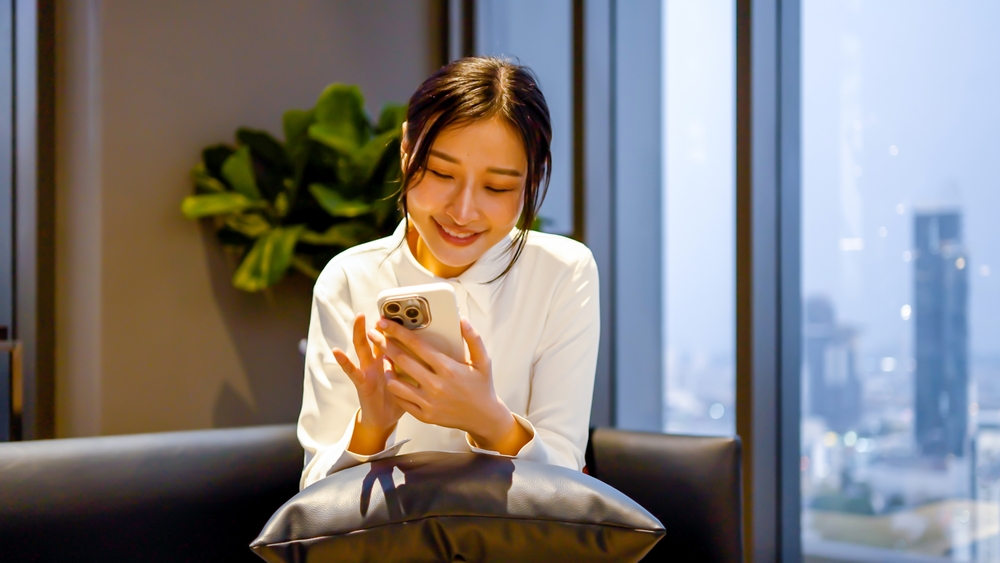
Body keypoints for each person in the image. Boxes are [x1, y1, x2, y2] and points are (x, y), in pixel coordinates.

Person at [297, 56, 599, 490]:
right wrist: (373, 425)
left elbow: (566, 481)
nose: (462, 212)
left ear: (534, 177)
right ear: (406, 150)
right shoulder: (348, 279)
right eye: (441, 173)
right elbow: (314, 495)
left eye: (497, 187)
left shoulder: (562, 273)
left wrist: (488, 420)